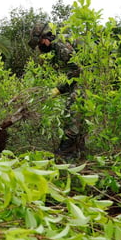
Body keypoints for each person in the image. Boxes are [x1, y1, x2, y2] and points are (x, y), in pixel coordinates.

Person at [28, 23, 84, 160]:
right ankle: (78, 152)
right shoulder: (60, 43)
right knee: (80, 115)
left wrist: (59, 89)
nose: (40, 47)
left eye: (40, 43)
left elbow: (78, 71)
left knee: (72, 111)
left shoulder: (61, 45)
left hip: (89, 79)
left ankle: (65, 153)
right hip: (88, 78)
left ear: (47, 37)